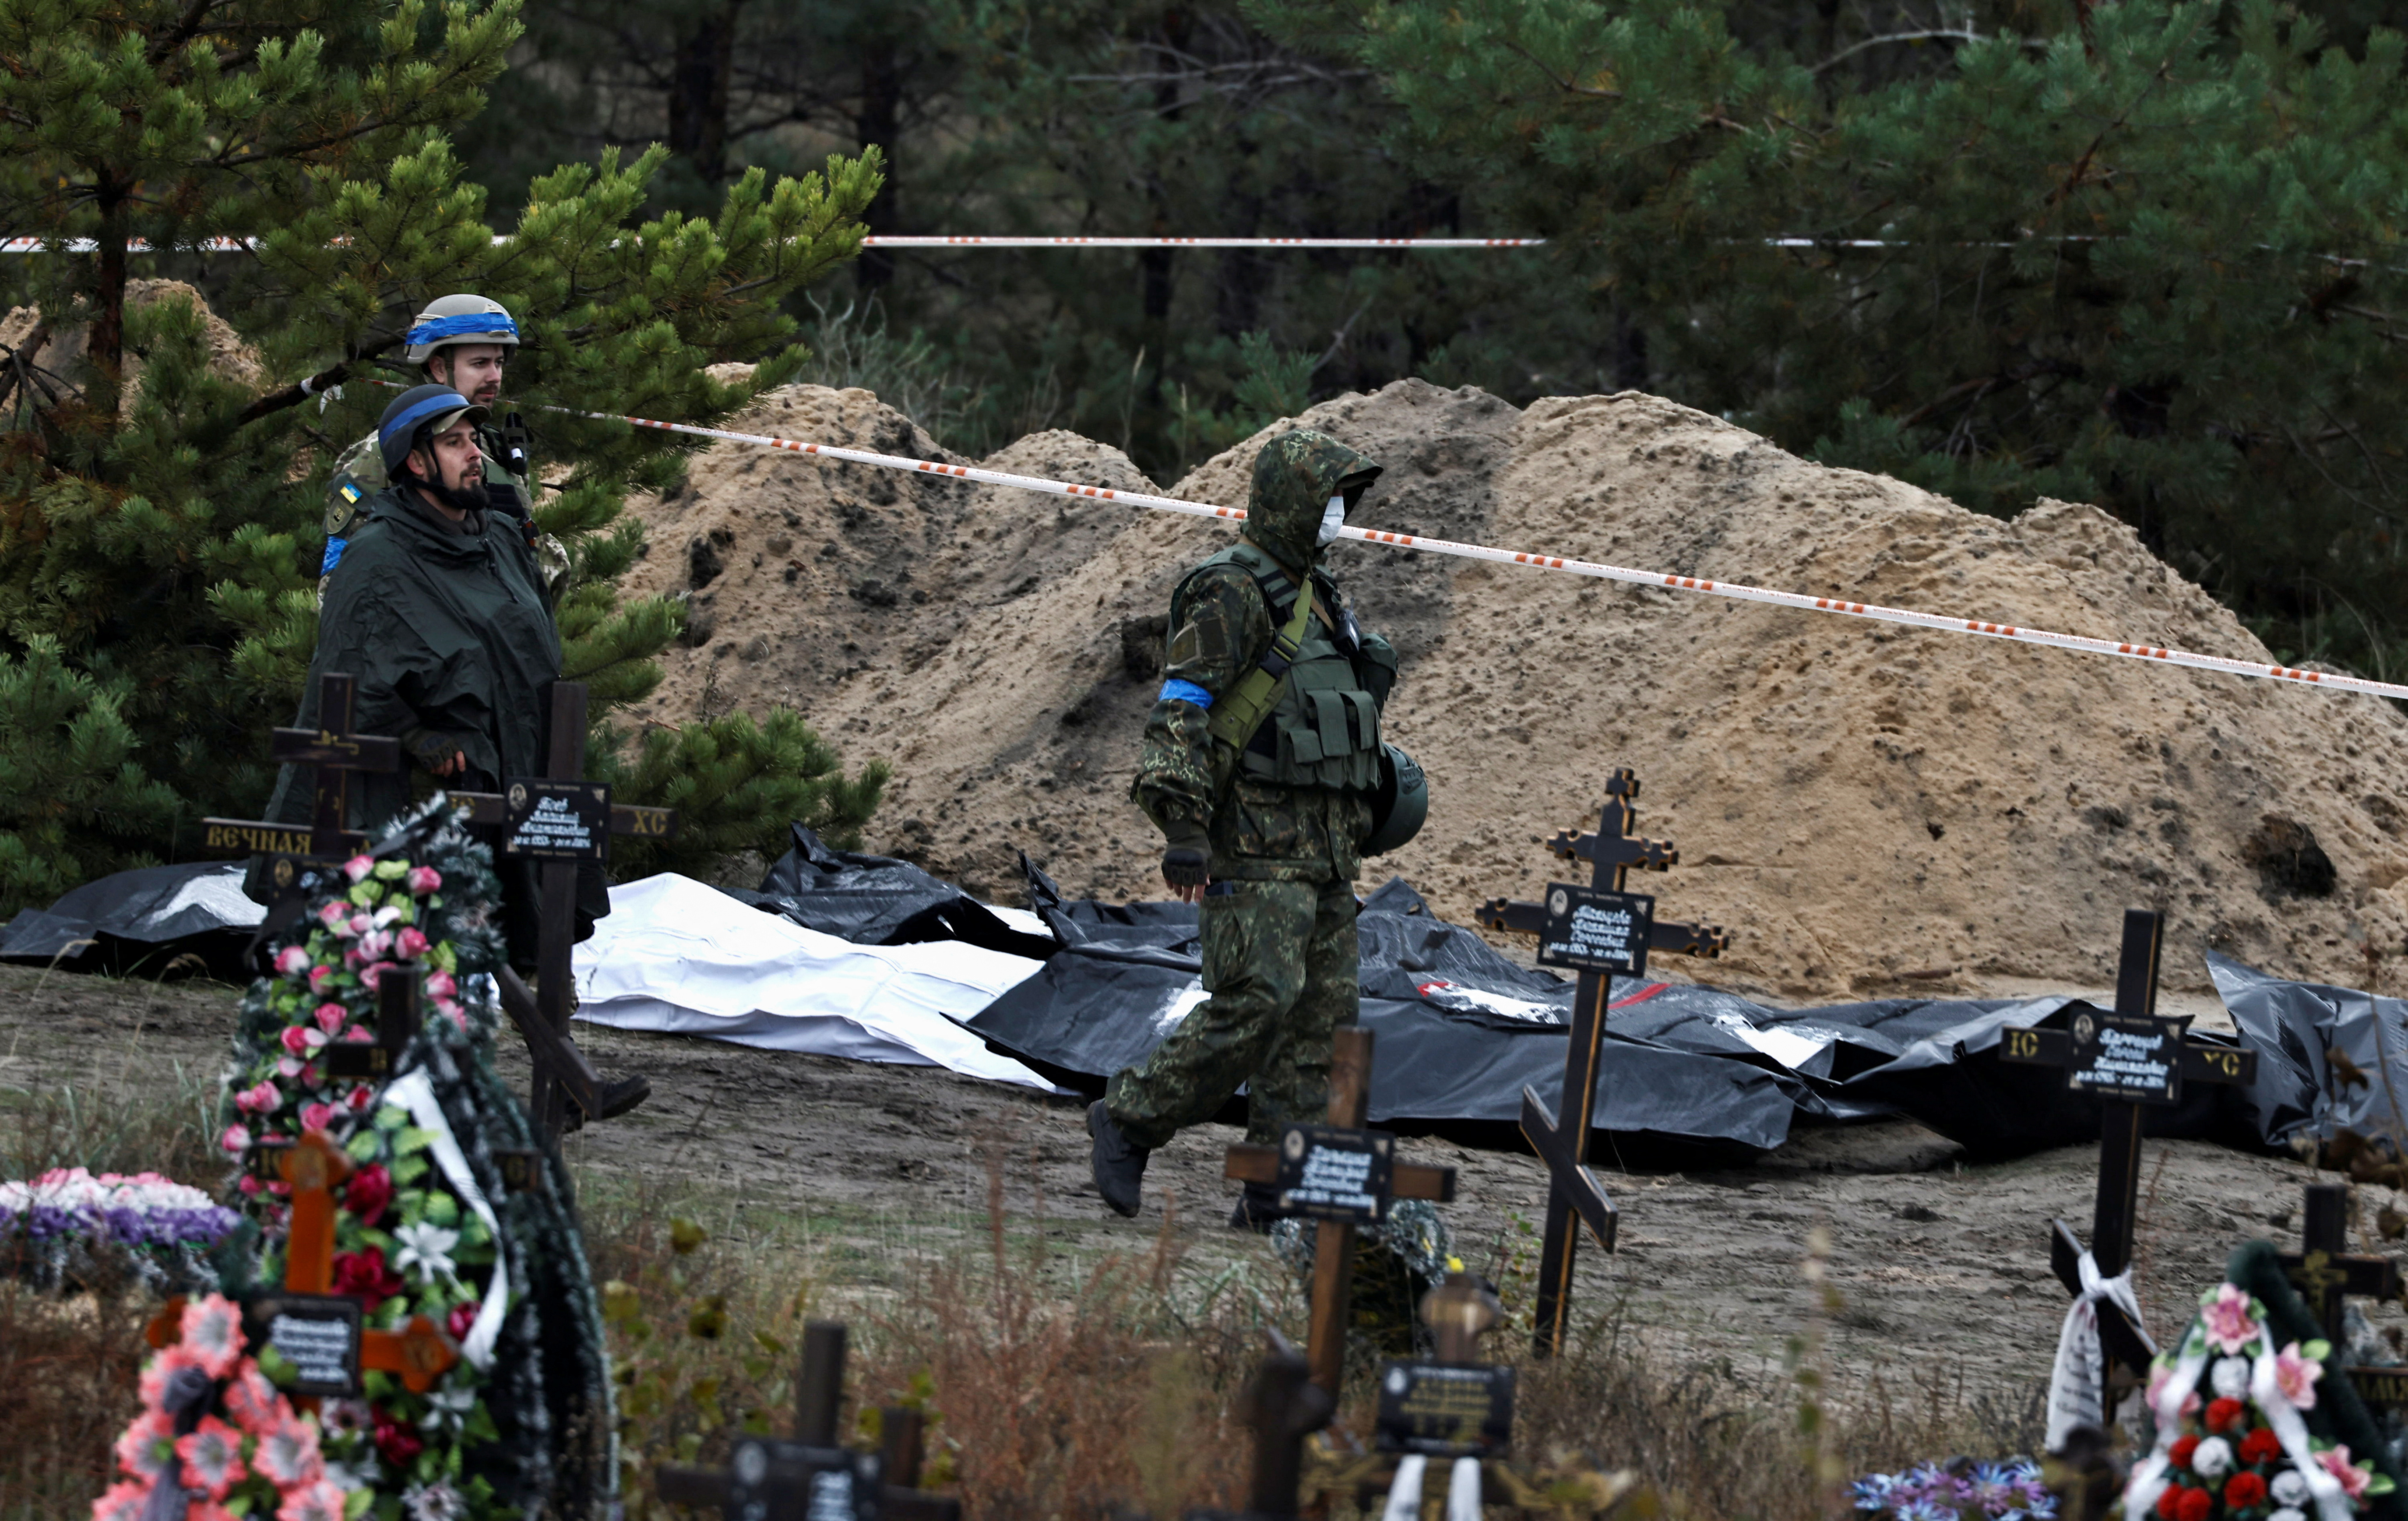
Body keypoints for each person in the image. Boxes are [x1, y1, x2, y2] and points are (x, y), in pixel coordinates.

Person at [1088, 427, 1413, 1227]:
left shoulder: (1327, 597)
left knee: (1320, 1025)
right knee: (1257, 999)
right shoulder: (1231, 591)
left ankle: (1277, 1191)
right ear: (1291, 501)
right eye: (1327, 499)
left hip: (1329, 851)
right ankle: (1129, 1117)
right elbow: (1182, 710)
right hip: (1255, 846)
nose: (1338, 515)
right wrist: (1182, 821)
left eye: (1345, 500)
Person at [268, 383, 601, 969]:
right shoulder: (378, 558)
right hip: (429, 794)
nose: (474, 453)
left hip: (520, 759)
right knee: (420, 958)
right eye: (454, 443)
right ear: (416, 462)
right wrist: (416, 734)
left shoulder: (499, 536)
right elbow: (344, 678)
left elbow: (533, 646)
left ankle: (550, 1037)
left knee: (528, 939)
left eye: (474, 439)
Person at [320, 293, 562, 599]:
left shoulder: (493, 449)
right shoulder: (384, 452)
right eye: (480, 364)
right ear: (438, 367)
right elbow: (340, 585)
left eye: (499, 363)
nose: (495, 377)